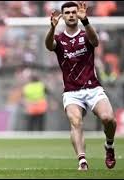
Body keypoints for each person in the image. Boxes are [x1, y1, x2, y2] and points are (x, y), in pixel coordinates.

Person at [45, 1, 117, 170]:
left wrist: (86, 21)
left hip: (93, 88)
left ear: (78, 14)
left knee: (108, 119)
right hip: (72, 92)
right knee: (75, 122)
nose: (71, 15)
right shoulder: (59, 38)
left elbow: (96, 42)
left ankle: (109, 146)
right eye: (67, 12)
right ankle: (82, 161)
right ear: (63, 16)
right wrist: (52, 28)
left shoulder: (86, 35)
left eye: (73, 12)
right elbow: (49, 46)